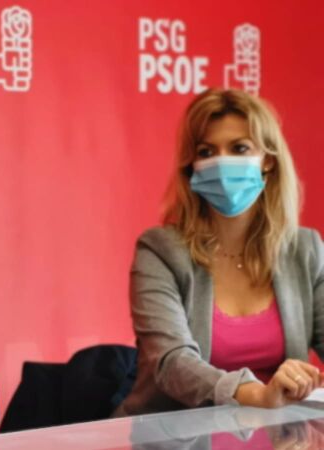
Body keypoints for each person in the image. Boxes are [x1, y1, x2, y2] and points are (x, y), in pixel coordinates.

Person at [116, 88, 324, 416]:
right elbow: (172, 362)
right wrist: (258, 394)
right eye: (207, 151)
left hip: (281, 433)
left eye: (239, 148)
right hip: (172, 433)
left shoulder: (305, 249)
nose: (222, 161)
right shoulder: (159, 251)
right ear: (192, 167)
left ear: (268, 160)